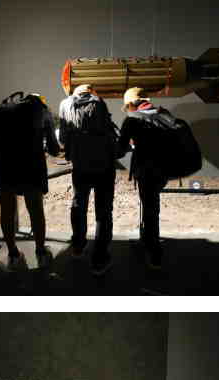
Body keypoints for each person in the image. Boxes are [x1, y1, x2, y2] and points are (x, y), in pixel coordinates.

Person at [0, 93, 60, 272]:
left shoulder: (3, 111)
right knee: (35, 209)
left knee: (7, 210)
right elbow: (54, 149)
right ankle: (41, 253)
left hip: (1, 165)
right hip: (30, 165)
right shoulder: (42, 111)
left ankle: (13, 255)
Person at [59, 84, 117, 276]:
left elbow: (63, 138)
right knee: (103, 211)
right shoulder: (99, 103)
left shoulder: (65, 104)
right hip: (104, 166)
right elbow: (108, 133)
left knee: (79, 203)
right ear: (91, 93)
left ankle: (77, 246)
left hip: (80, 165)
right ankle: (99, 260)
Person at [118, 87, 170, 270]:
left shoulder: (132, 119)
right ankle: (148, 241)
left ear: (132, 104)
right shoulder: (163, 114)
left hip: (146, 172)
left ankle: (154, 254)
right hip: (163, 170)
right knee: (152, 208)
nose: (127, 110)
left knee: (150, 211)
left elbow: (120, 149)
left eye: (127, 106)